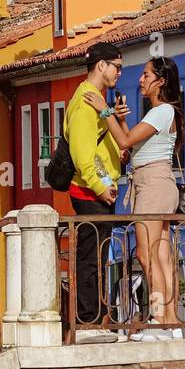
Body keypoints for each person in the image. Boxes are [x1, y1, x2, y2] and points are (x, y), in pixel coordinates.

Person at [86, 56, 184, 341]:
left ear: (160, 81)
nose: (140, 80)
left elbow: (125, 142)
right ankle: (171, 322)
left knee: (146, 254)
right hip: (157, 183)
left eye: (145, 74)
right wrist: (121, 119)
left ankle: (157, 319)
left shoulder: (162, 110)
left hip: (152, 185)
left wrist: (104, 111)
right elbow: (132, 141)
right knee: (162, 255)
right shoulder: (161, 112)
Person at [65, 41, 126, 344]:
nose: (119, 72)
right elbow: (84, 157)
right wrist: (102, 188)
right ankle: (87, 322)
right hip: (90, 194)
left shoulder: (96, 101)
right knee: (90, 260)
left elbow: (102, 148)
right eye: (117, 65)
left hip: (99, 193)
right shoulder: (83, 104)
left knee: (99, 258)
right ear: (101, 65)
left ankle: (96, 319)